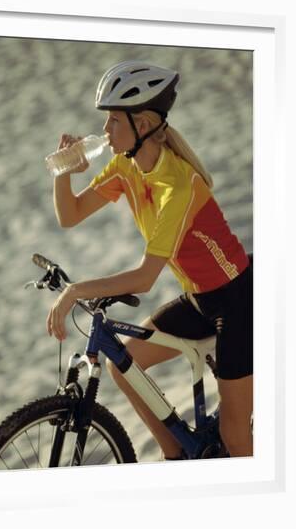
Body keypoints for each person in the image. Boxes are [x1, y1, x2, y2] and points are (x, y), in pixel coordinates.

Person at [46, 60, 253, 459]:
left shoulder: (178, 185)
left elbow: (144, 278)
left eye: (113, 122)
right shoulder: (126, 166)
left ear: (141, 125)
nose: (105, 131)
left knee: (236, 440)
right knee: (125, 364)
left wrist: (75, 291)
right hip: (198, 300)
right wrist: (63, 171)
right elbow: (69, 216)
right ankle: (175, 455)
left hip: (237, 301)